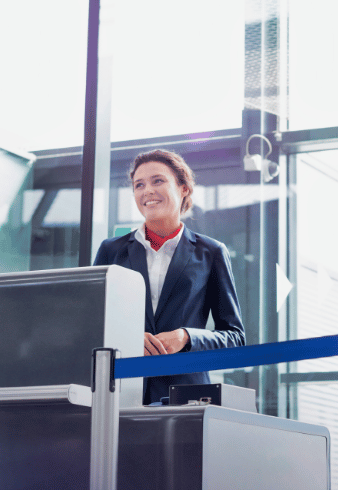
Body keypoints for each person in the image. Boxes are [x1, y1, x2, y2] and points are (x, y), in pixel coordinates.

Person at [94, 149, 245, 404]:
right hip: (118, 394)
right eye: (138, 185)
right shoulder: (111, 251)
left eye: (158, 181)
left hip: (186, 397)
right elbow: (90, 325)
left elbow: (235, 338)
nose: (147, 191)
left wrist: (186, 337)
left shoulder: (211, 253)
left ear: (183, 188)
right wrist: (126, 338)